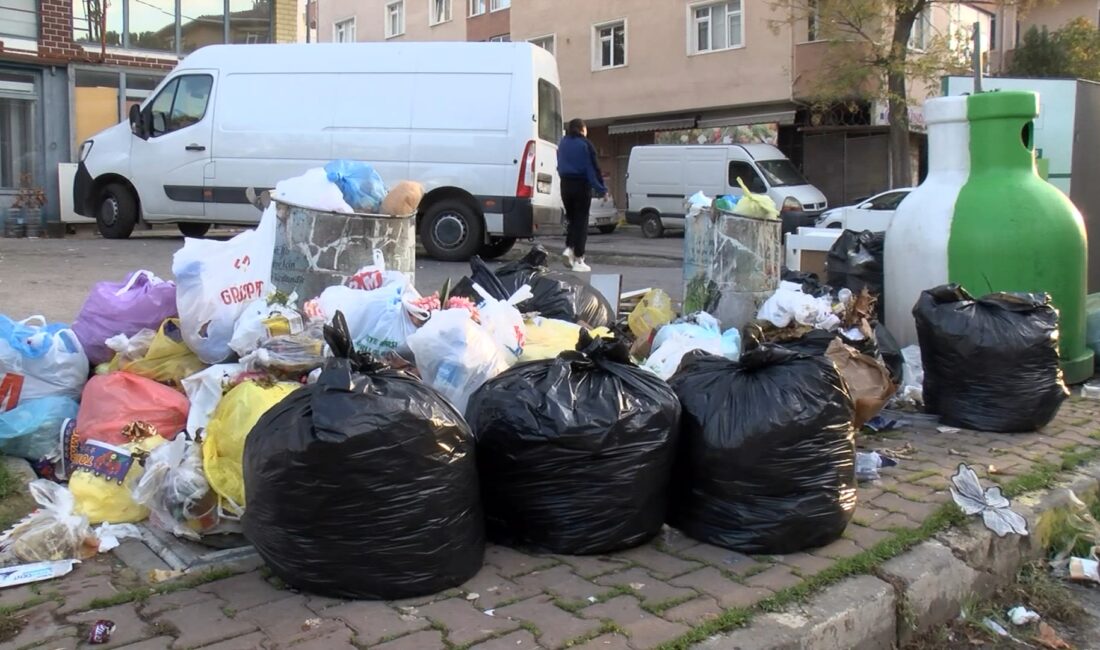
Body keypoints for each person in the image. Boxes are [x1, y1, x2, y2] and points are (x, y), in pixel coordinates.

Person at [557, 118, 608, 273]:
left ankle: (569, 247)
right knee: (582, 220)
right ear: (582, 129)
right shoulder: (585, 144)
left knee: (572, 219)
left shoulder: (563, 143)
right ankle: (579, 257)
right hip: (580, 185)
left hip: (565, 185)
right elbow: (592, 169)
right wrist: (602, 189)